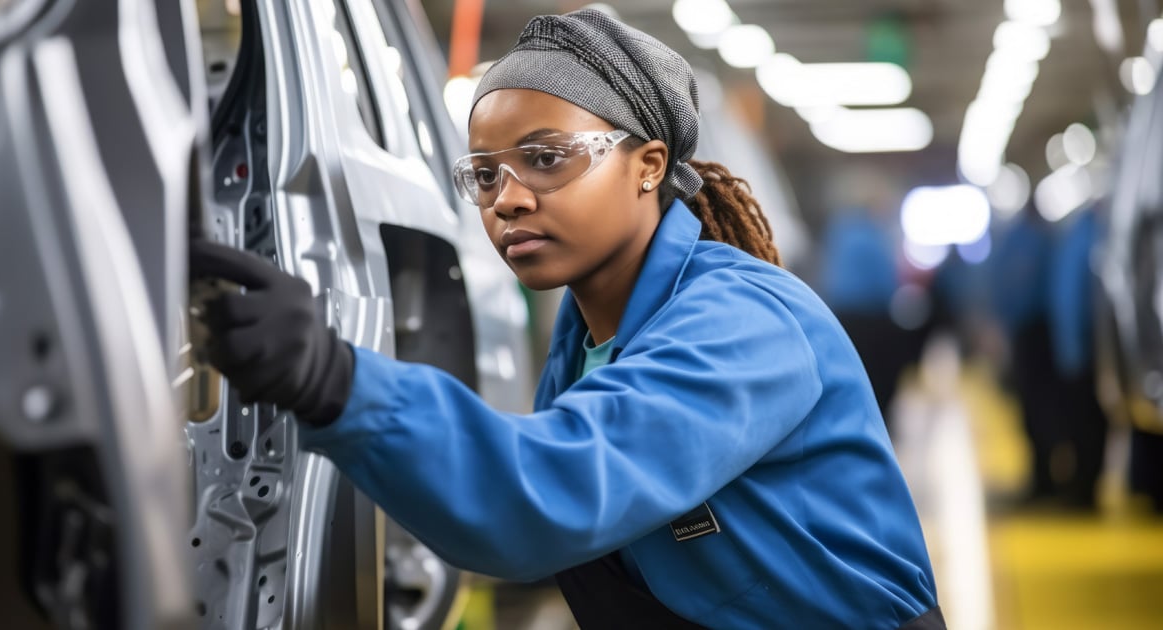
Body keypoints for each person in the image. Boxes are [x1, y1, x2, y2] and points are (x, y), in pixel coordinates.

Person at [190, 9, 942, 628]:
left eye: (547, 158)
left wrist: (336, 380)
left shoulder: (743, 320)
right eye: (485, 175)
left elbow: (552, 489)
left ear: (648, 166)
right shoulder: (584, 344)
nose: (507, 199)